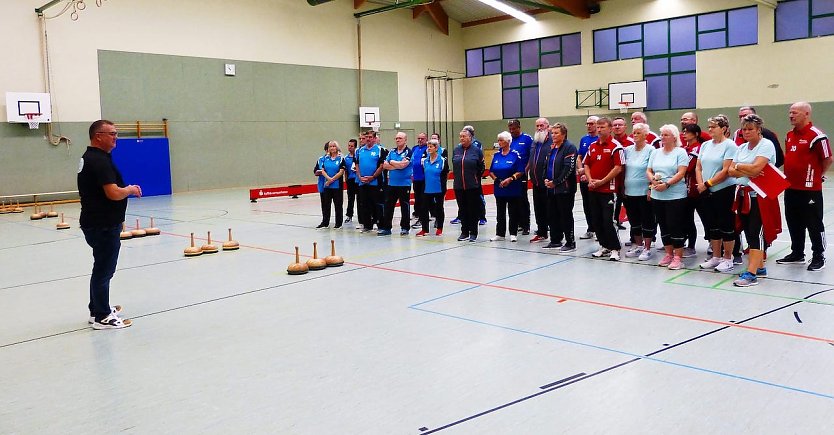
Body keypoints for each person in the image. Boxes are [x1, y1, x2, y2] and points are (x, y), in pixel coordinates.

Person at [78, 120, 141, 329]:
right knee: (104, 271)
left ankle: (97, 308)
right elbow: (113, 193)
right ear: (98, 136)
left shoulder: (92, 157)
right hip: (102, 225)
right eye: (112, 134)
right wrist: (130, 189)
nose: (116, 138)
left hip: (96, 223)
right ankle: (102, 316)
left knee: (101, 268)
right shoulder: (99, 161)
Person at [777, 102, 832, 271]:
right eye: (790, 113)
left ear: (806, 114)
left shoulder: (818, 136)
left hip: (810, 190)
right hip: (791, 188)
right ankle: (797, 253)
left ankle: (818, 256)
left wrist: (816, 176)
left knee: (814, 223)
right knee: (794, 222)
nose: (791, 116)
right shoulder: (789, 135)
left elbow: (828, 159)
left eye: (795, 113)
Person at [728, 113, 779, 287]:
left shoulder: (766, 145)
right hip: (742, 194)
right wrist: (746, 169)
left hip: (760, 197)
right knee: (748, 232)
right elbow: (730, 171)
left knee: (756, 234)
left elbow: (757, 168)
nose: (746, 132)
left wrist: (740, 166)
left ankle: (751, 274)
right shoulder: (741, 148)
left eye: (750, 129)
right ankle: (761, 267)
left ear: (759, 130)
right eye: (744, 129)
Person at [695, 115, 737, 273]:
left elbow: (726, 170)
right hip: (706, 191)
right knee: (712, 225)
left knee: (726, 224)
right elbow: (698, 167)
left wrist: (708, 183)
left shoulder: (730, 145)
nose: (710, 129)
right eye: (709, 126)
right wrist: (701, 184)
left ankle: (728, 258)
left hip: (724, 190)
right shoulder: (705, 145)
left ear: (724, 128)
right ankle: (716, 257)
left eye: (713, 127)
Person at [647, 125, 689, 270]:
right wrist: (652, 179)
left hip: (675, 195)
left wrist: (667, 184)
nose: (662, 137)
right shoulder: (655, 152)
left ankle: (678, 257)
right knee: (663, 225)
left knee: (675, 225)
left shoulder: (681, 152)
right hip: (657, 195)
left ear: (674, 137)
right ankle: (669, 253)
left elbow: (681, 172)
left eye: (665, 135)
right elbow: (649, 169)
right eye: (661, 134)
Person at [584, 117, 625, 261]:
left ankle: (615, 248)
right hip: (593, 190)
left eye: (602, 127)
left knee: (609, 221)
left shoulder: (616, 146)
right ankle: (604, 246)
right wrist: (590, 180)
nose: (599, 129)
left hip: (609, 191)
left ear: (610, 129)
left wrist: (602, 181)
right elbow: (586, 165)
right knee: (596, 220)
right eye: (598, 127)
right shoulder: (592, 146)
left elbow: (618, 168)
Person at [623, 123, 656, 261]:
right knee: (634, 221)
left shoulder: (651, 150)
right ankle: (638, 245)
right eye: (634, 133)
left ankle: (648, 248)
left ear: (645, 135)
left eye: (638, 133)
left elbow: (654, 171)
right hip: (629, 192)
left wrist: (650, 189)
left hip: (644, 192)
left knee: (647, 220)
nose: (634, 135)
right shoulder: (628, 150)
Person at [543, 122, 578, 252]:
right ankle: (555, 240)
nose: (553, 135)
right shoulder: (552, 148)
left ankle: (570, 242)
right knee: (552, 215)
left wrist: (556, 182)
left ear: (563, 134)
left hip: (565, 189)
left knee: (565, 215)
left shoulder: (569, 147)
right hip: (551, 188)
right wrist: (545, 179)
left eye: (556, 133)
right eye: (552, 133)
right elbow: (547, 165)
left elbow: (568, 168)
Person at [489, 131, 524, 242]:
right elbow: (491, 171)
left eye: (501, 140)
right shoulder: (496, 155)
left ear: (508, 141)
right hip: (499, 188)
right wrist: (496, 179)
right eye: (498, 140)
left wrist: (510, 178)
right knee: (500, 212)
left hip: (512, 188)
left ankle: (513, 233)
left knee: (513, 211)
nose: (499, 142)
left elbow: (520, 171)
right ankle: (500, 233)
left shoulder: (515, 154)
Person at [452, 128, 485, 242]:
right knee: (463, 209)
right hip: (459, 186)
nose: (461, 138)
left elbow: (481, 167)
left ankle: (473, 232)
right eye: (460, 136)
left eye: (464, 136)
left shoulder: (476, 151)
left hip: (472, 186)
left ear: (470, 138)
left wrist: (475, 178)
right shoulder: (456, 150)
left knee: (473, 210)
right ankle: (464, 232)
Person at [681, 123, 708, 257]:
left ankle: (712, 242)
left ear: (696, 134)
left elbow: (687, 167)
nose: (684, 133)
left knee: (705, 218)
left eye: (687, 131)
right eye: (683, 131)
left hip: (698, 190)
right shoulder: (684, 148)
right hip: (686, 191)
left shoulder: (698, 149)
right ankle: (691, 246)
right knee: (687, 219)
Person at [379, 132, 413, 236]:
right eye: (396, 138)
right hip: (392, 184)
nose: (398, 140)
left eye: (400, 138)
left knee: (404, 206)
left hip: (404, 184)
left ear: (405, 140)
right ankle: (387, 228)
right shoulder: (392, 151)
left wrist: (392, 163)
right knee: (389, 206)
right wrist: (397, 164)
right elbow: (384, 165)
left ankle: (405, 227)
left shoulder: (409, 152)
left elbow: (404, 165)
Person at [355, 131, 387, 233]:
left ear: (374, 138)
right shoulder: (360, 151)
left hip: (375, 182)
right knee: (364, 204)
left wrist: (372, 177)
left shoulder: (380, 150)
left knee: (377, 204)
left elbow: (382, 166)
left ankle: (380, 225)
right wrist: (360, 177)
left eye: (370, 137)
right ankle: (367, 225)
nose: (368, 139)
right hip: (363, 182)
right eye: (366, 137)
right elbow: (357, 164)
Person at [528, 118, 553, 243]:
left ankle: (555, 235)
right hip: (535, 182)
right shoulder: (535, 141)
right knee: (539, 209)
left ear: (548, 126)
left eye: (541, 125)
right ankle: (542, 232)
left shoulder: (553, 141)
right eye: (537, 126)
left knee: (551, 210)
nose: (539, 128)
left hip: (548, 183)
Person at [416, 139, 447, 237]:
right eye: (428, 147)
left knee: (439, 209)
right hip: (427, 188)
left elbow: (444, 175)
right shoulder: (425, 161)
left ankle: (439, 228)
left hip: (438, 189)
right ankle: (424, 229)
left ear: (436, 148)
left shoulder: (442, 161)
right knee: (423, 208)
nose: (429, 148)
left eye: (431, 147)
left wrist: (443, 189)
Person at [508, 119, 534, 235]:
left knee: (522, 200)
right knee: (512, 200)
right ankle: (517, 223)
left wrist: (525, 170)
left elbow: (531, 156)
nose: (512, 131)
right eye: (510, 128)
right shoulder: (508, 139)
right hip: (510, 175)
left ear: (519, 127)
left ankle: (525, 225)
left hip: (522, 174)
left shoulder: (527, 139)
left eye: (514, 128)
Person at [314, 141, 346, 228]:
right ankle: (325, 222)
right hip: (327, 185)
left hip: (337, 185)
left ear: (337, 148)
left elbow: (341, 171)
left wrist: (332, 180)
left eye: (334, 146)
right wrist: (328, 179)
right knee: (326, 205)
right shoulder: (325, 159)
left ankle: (338, 223)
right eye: (330, 146)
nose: (332, 148)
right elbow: (322, 170)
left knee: (338, 205)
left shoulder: (341, 158)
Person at [576, 116, 598, 240]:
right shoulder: (584, 139)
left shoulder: (599, 139)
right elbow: (580, 157)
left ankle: (599, 229)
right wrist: (581, 171)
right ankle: (590, 229)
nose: (589, 126)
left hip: (595, 179)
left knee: (596, 204)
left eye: (592, 123)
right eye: (587, 124)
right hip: (584, 178)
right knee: (586, 204)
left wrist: (587, 172)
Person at [611, 117, 634, 232]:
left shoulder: (632, 143)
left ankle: (635, 239)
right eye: (615, 125)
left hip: (628, 184)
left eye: (620, 125)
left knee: (632, 213)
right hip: (612, 185)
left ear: (625, 127)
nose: (617, 127)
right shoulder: (609, 143)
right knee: (611, 213)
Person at [410, 132, 429, 229]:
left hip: (424, 179)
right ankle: (418, 215)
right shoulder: (414, 148)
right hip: (416, 178)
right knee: (417, 199)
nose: (420, 140)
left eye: (422, 138)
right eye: (419, 138)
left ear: (426, 139)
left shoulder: (428, 149)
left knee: (423, 199)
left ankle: (422, 219)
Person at [343, 138, 358, 225]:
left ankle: (363, 216)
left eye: (352, 146)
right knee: (350, 199)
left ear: (355, 147)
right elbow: (345, 171)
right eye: (349, 146)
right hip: (350, 180)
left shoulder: (358, 156)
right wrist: (346, 180)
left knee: (360, 200)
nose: (350, 147)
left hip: (358, 180)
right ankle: (349, 215)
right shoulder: (346, 158)